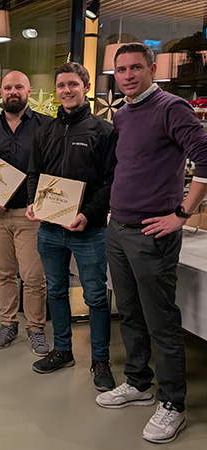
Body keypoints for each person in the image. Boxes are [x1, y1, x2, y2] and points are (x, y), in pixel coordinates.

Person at [96, 43, 207, 444]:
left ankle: (173, 403)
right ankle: (139, 382)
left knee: (161, 320)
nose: (128, 75)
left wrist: (181, 214)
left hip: (151, 234)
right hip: (118, 228)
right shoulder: (123, 114)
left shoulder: (171, 108)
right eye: (121, 69)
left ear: (153, 69)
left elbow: (205, 157)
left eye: (135, 68)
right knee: (129, 312)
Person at [26, 62, 117, 391]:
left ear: (86, 87)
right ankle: (62, 350)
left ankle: (100, 360)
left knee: (95, 296)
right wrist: (33, 203)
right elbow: (35, 173)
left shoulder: (104, 131)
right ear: (56, 90)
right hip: (50, 229)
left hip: (88, 230)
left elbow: (112, 181)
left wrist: (89, 214)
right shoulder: (45, 131)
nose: (67, 90)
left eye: (73, 84)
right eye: (61, 85)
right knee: (56, 290)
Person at [0, 71, 50, 354]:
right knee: (3, 273)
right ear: (0, 92)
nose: (12, 92)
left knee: (33, 276)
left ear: (29, 91)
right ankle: (8, 323)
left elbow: (54, 166)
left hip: (30, 214)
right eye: (7, 88)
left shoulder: (45, 126)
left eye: (18, 87)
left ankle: (36, 328)